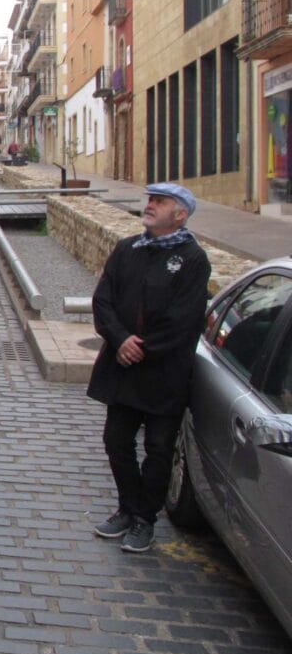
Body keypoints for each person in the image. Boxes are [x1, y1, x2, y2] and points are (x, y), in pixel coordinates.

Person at [88, 182, 211, 553]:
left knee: (159, 450)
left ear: (180, 214)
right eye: (150, 200)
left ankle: (145, 518)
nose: (151, 205)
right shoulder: (127, 250)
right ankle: (127, 507)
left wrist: (142, 348)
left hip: (162, 374)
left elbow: (185, 319)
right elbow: (103, 299)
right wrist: (119, 338)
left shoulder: (192, 259)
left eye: (161, 202)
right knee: (116, 441)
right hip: (123, 367)